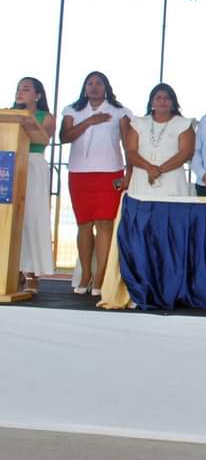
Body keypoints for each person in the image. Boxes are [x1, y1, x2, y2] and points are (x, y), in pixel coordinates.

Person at [60, 71, 133, 295]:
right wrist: (89, 121)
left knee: (104, 225)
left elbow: (128, 144)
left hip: (109, 172)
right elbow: (64, 136)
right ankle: (85, 274)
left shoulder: (120, 111)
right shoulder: (72, 110)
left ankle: (100, 276)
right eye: (89, 83)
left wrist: (129, 173)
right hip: (79, 173)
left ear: (106, 87)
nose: (93, 87)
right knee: (83, 224)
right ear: (84, 88)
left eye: (98, 83)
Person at [12, 77, 55, 294]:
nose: (20, 92)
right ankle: (13, 269)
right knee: (11, 218)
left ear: (37, 95)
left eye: (26, 89)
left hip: (34, 166)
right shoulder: (9, 115)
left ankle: (32, 273)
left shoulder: (46, 117)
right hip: (10, 165)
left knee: (33, 217)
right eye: (18, 89)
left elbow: (42, 138)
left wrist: (26, 120)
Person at [124, 83, 195, 198]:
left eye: (167, 98)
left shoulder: (184, 124)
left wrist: (158, 170)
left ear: (173, 103)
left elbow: (186, 153)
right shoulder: (138, 123)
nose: (163, 101)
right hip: (141, 180)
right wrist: (149, 168)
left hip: (172, 181)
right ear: (152, 102)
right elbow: (131, 152)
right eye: (158, 98)